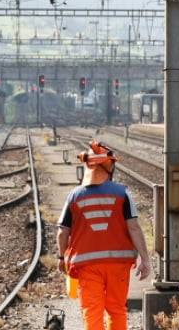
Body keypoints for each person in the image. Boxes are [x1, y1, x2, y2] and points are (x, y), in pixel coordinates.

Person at [57, 140, 151, 329]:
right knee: (116, 309)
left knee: (92, 312)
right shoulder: (122, 194)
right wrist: (145, 258)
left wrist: (61, 257)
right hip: (118, 264)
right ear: (109, 168)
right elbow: (134, 227)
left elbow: (62, 232)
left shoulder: (74, 196)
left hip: (87, 265)